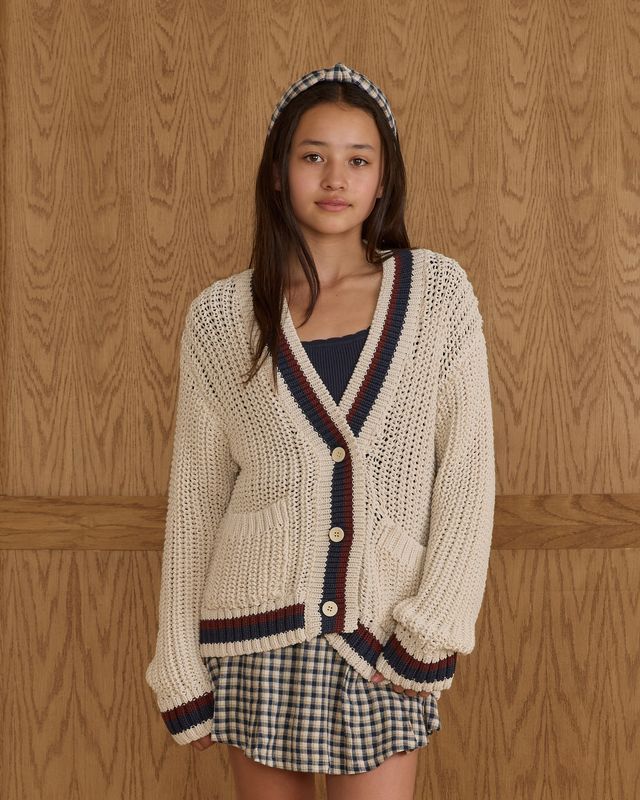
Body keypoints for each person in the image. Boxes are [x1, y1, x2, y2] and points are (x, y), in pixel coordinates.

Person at [145, 63, 496, 799]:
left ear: (381, 180)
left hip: (382, 635)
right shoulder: (221, 317)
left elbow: (466, 475)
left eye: (357, 160)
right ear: (279, 173)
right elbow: (196, 498)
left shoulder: (436, 295)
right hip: (253, 634)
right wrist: (177, 659)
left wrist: (429, 631)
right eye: (314, 157)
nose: (336, 178)